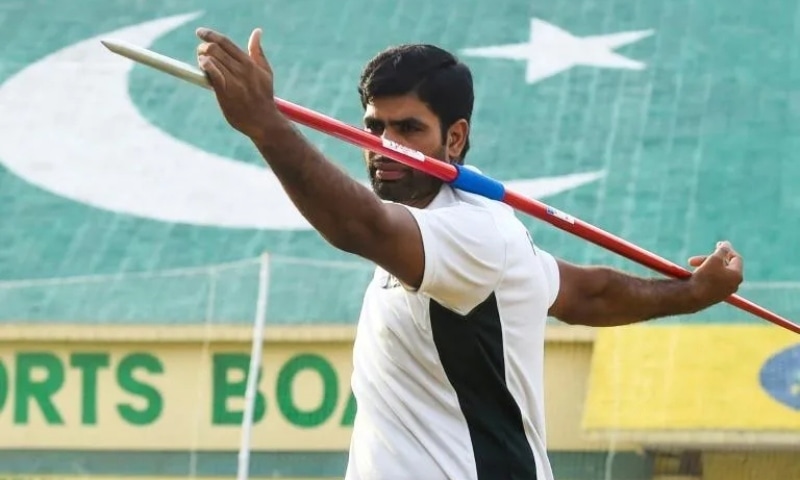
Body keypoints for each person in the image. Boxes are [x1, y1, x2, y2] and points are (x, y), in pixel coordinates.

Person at [193, 27, 743, 480]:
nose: (384, 146)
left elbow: (358, 225)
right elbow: (582, 292)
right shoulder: (460, 225)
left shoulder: (473, 234)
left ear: (454, 138)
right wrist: (691, 292)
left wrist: (265, 125)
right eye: (374, 127)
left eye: (407, 129)